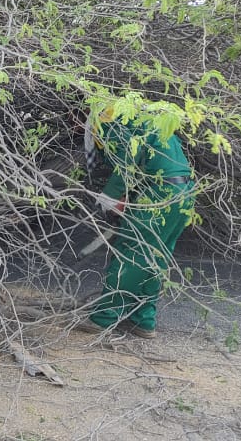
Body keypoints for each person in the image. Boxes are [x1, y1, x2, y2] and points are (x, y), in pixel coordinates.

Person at [78, 107, 195, 339]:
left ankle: (103, 318)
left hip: (160, 193)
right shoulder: (139, 116)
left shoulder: (109, 119)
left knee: (132, 255)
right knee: (155, 258)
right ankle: (142, 320)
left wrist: (111, 197)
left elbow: (127, 161)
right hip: (184, 193)